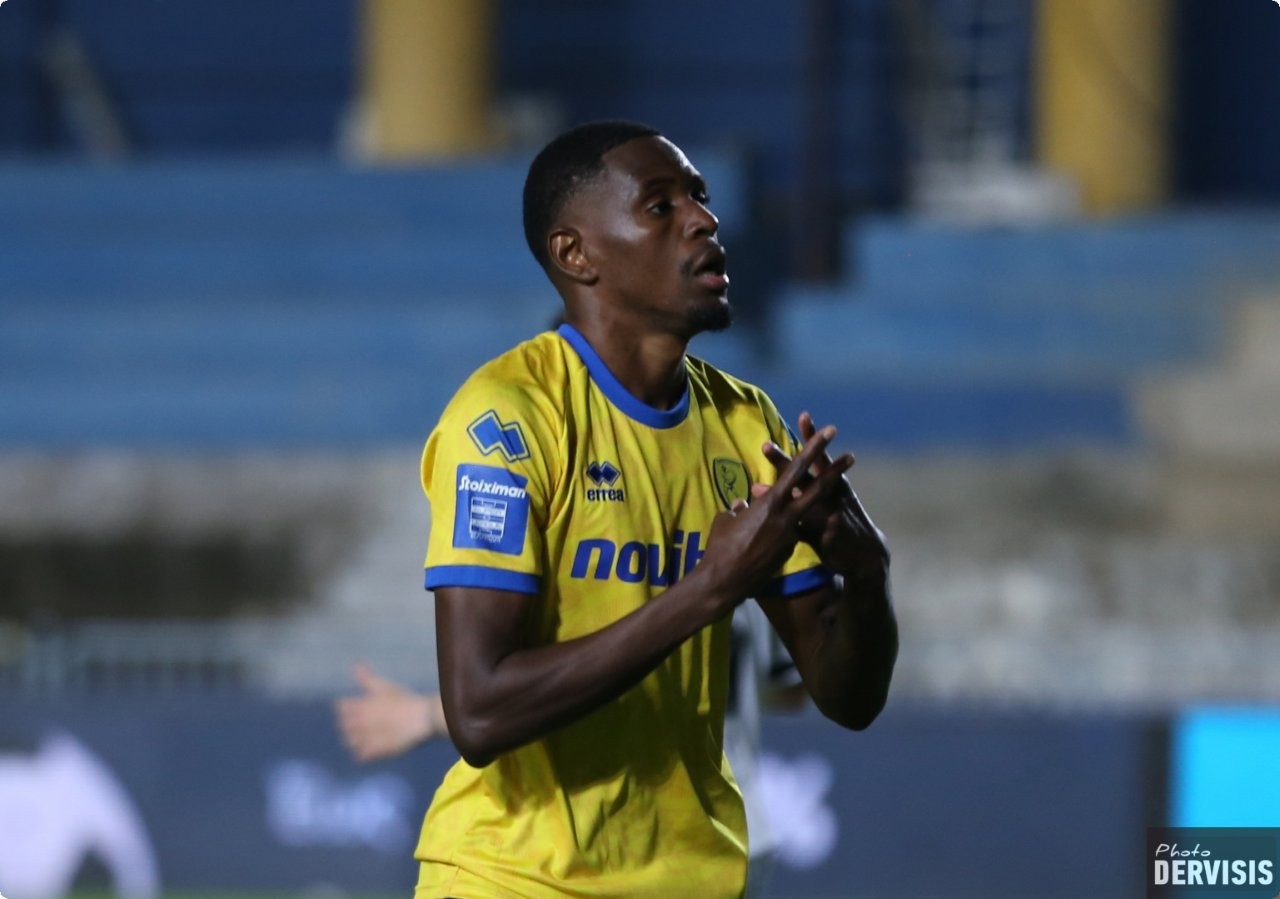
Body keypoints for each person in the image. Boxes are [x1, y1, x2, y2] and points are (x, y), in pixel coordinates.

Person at [415, 119, 898, 898]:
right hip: (515, 878)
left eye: (700, 198)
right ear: (577, 254)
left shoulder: (745, 424)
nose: (704, 219)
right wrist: (709, 587)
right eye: (660, 205)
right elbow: (479, 710)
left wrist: (867, 578)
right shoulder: (508, 418)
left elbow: (849, 699)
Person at [337, 600, 805, 897]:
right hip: (735, 827)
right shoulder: (742, 543)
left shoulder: (617, 559)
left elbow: (567, 689)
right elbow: (792, 689)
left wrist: (425, 715)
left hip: (623, 826)